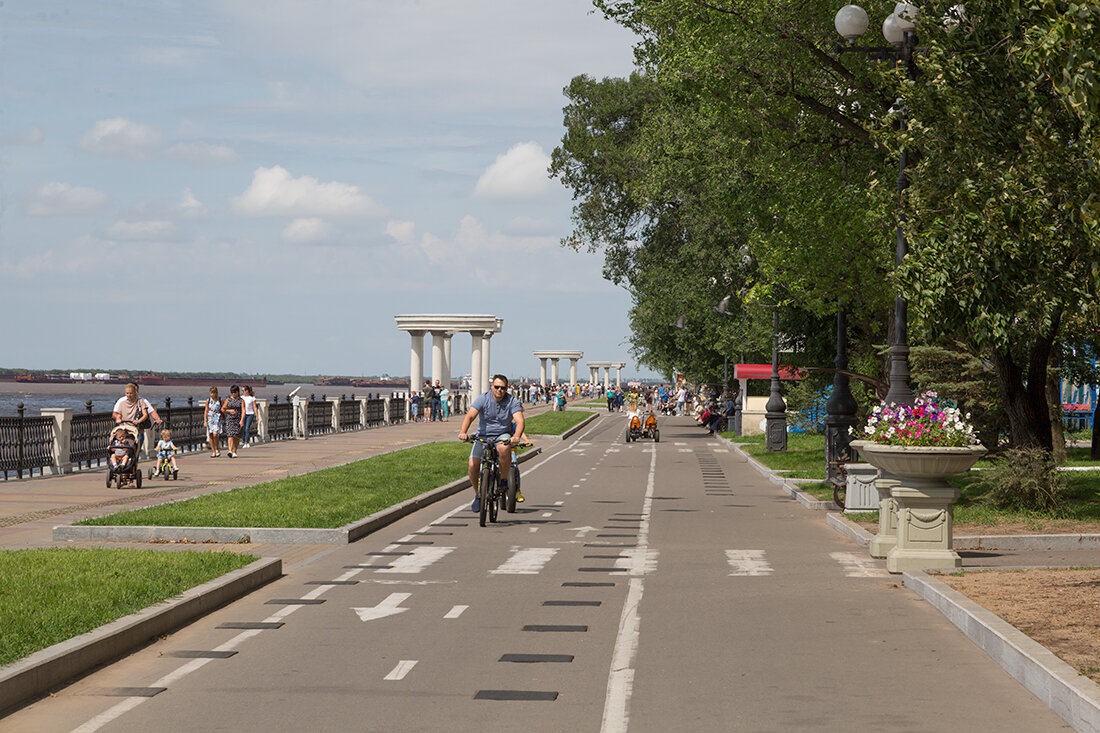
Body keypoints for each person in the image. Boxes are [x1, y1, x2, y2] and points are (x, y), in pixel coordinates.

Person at [457, 374, 525, 513]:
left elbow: (520, 420)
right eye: (497, 387)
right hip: (483, 435)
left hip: (502, 434)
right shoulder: (484, 398)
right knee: (472, 464)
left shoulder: (512, 401)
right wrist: (463, 432)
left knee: (504, 448)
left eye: (503, 388)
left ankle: (504, 480)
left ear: (507, 388)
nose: (499, 390)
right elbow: (470, 416)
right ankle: (478, 495)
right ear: (491, 386)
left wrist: (517, 436)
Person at [112, 382, 162, 447]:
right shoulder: (121, 401)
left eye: (132, 392)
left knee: (137, 444)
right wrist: (120, 419)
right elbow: (116, 413)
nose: (129, 394)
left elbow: (151, 411)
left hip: (137, 428)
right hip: (125, 428)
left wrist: (157, 419)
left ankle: (136, 456)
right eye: (127, 392)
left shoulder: (142, 401)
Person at [222, 385, 244, 457]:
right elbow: (223, 409)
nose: (233, 394)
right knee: (230, 435)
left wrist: (242, 420)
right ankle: (230, 450)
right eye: (232, 392)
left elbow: (243, 411)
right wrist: (229, 410)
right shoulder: (228, 399)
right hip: (230, 419)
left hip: (238, 419)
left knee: (236, 436)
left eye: (235, 392)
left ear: (238, 392)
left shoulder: (241, 400)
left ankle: (235, 451)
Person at [204, 386, 223, 457]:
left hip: (217, 418)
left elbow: (223, 408)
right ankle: (213, 451)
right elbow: (206, 410)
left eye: (214, 393)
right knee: (211, 435)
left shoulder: (220, 400)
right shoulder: (208, 400)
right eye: (211, 393)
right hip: (210, 418)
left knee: (215, 434)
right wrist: (205, 421)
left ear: (216, 393)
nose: (212, 394)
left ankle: (217, 448)